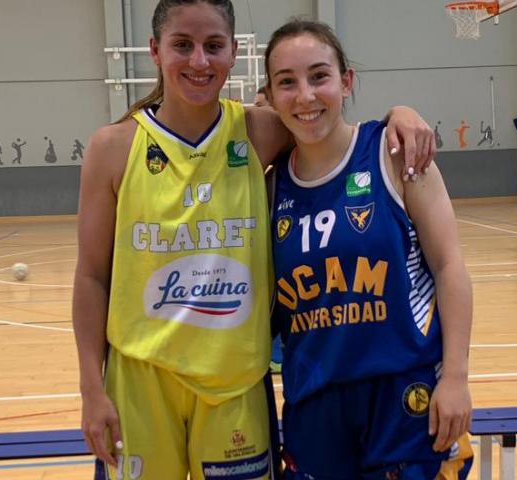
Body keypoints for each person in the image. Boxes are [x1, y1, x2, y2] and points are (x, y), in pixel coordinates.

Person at [72, 1, 437, 479]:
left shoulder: (258, 131)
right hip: (140, 380)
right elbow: (92, 277)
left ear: (233, 53)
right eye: (182, 45)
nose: (199, 60)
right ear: (155, 51)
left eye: (213, 46)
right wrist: (91, 388)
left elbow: (331, 122)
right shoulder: (113, 147)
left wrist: (398, 115)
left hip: (235, 383)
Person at [266, 20, 473, 479]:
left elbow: (449, 265)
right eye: (287, 82)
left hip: (405, 393)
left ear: (346, 81)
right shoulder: (270, 185)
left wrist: (456, 377)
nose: (305, 95)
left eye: (319, 76)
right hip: (315, 403)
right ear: (271, 96)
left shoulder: (396, 153)